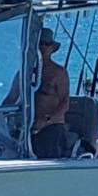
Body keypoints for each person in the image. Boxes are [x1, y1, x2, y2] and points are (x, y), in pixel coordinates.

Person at [31, 28, 71, 158]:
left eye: (46, 44)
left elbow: (65, 103)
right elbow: (12, 96)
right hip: (28, 128)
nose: (43, 47)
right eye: (40, 43)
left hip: (52, 128)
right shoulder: (26, 72)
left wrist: (46, 121)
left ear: (52, 48)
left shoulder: (59, 73)